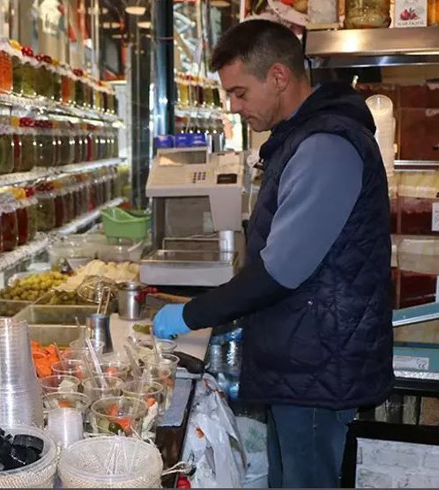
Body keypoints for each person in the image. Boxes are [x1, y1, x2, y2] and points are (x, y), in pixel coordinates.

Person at [152, 20, 394, 488]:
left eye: (240, 92)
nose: (235, 106)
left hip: (319, 367)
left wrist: (194, 314)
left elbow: (280, 271)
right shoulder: (298, 139)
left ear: (279, 77)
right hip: (304, 357)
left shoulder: (326, 145)